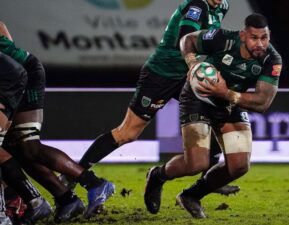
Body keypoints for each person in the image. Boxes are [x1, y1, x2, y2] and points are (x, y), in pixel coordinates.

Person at [61, 0, 239, 203]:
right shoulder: (196, 6)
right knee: (127, 133)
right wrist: (194, 62)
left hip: (186, 78)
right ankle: (72, 175)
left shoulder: (222, 6)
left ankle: (209, 180)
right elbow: (186, 35)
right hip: (160, 75)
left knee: (216, 113)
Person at [144, 13, 282, 218]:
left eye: (265, 38)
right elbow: (188, 39)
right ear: (243, 35)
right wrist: (192, 63)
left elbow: (262, 102)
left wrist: (225, 94)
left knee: (239, 166)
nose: (260, 44)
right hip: (198, 100)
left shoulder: (272, 60)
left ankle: (191, 195)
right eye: (254, 38)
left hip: (230, 101)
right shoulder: (223, 38)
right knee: (196, 164)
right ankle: (157, 176)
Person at [0, 21, 115, 222]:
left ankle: (89, 186)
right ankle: (67, 198)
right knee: (23, 147)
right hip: (20, 71)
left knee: (22, 146)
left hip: (17, 75)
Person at [0, 52, 53, 224]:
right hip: (13, 78)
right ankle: (30, 200)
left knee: (24, 146)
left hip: (8, 81)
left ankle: (3, 215)